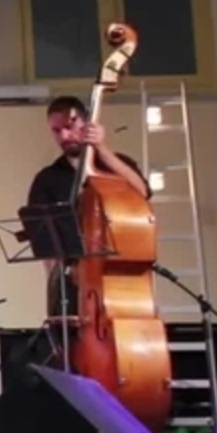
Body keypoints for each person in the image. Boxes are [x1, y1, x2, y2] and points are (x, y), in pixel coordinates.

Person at [26, 95, 151, 317]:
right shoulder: (46, 179)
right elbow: (46, 247)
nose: (64, 136)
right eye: (56, 130)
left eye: (70, 126)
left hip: (119, 280)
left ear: (87, 124)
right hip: (72, 283)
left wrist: (102, 149)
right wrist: (58, 290)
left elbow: (142, 193)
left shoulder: (117, 164)